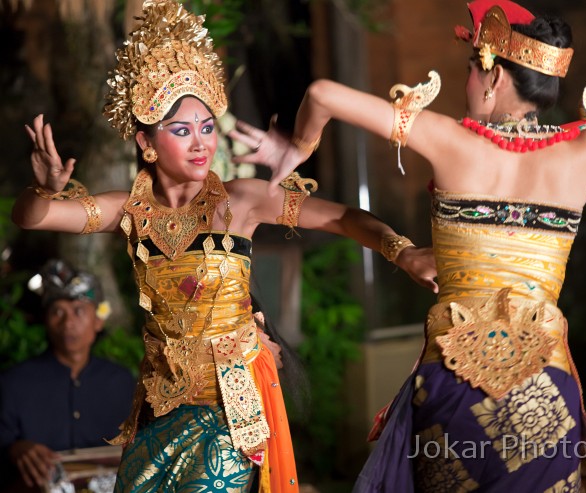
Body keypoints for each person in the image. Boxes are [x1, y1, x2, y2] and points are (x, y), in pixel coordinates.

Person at [230, 0, 586, 490]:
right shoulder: (583, 153)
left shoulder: (448, 140)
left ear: (495, 77)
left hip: (455, 379)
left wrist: (298, 146)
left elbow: (322, 94)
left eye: (471, 69)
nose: (467, 83)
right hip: (544, 387)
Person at [10, 1, 436, 492]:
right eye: (181, 130)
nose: (201, 144)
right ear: (147, 143)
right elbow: (35, 217)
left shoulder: (242, 202)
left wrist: (402, 252)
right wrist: (41, 190)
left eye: (208, 127)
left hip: (230, 413)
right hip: (158, 409)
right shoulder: (127, 210)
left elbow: (341, 217)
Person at [0, 259, 135, 491]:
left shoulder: (123, 383)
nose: (68, 322)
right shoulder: (13, 383)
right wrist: (15, 449)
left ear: (98, 321)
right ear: (46, 320)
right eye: (57, 311)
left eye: (79, 311)